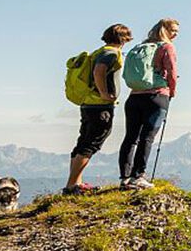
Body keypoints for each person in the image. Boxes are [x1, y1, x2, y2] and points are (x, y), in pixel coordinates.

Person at [65, 24, 132, 194]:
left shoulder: (99, 51)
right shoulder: (111, 52)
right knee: (92, 143)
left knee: (83, 142)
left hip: (88, 103)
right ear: (123, 38)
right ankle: (72, 186)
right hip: (100, 106)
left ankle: (75, 184)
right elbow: (99, 71)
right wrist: (104, 93)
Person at [119, 18, 180, 189]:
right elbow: (172, 73)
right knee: (147, 137)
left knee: (130, 137)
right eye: (173, 30)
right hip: (156, 97)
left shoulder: (141, 47)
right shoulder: (166, 47)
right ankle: (138, 176)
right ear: (164, 30)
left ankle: (125, 178)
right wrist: (172, 92)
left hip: (134, 97)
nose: (175, 34)